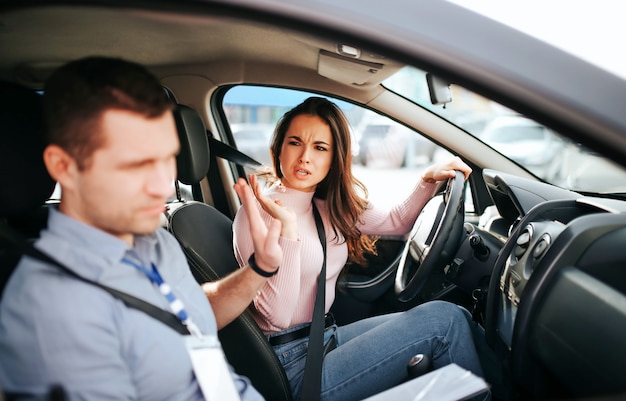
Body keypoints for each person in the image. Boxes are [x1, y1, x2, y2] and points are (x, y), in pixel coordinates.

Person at [0, 56, 282, 400]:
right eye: (136, 164)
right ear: (65, 167)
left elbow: (187, 317)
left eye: (167, 159)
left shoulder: (156, 241)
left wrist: (260, 267)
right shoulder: (52, 310)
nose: (163, 185)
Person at [227, 97, 488, 401]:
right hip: (291, 366)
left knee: (459, 315)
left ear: (335, 158)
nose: (305, 157)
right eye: (295, 143)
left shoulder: (324, 206)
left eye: (320, 148)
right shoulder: (256, 214)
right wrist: (288, 232)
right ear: (278, 150)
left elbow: (396, 221)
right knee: (444, 323)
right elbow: (278, 319)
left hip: (324, 338)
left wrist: (427, 179)